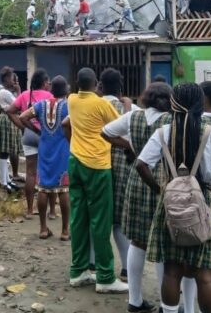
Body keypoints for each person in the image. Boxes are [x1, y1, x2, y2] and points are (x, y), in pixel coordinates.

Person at [136, 82, 211, 313]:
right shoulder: (210, 132)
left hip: (170, 204)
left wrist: (158, 188)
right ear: (199, 102)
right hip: (202, 203)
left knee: (172, 270)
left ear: (173, 103)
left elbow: (141, 164)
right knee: (205, 273)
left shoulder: (163, 133)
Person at [103, 82, 172, 313]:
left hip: (137, 178)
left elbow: (106, 132)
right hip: (162, 179)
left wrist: (130, 147)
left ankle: (134, 300)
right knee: (163, 242)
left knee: (138, 240)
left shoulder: (134, 116)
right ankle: (166, 303)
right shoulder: (171, 121)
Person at [65, 67, 127, 293]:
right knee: (101, 222)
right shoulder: (102, 104)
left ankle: (78, 271)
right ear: (97, 84)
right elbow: (121, 128)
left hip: (75, 162)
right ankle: (105, 276)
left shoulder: (71, 100)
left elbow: (67, 125)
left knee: (78, 219)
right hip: (98, 165)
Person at [19, 75, 71, 241]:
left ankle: (42, 229)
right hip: (62, 149)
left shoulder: (42, 105)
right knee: (63, 189)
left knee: (43, 187)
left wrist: (37, 131)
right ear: (66, 90)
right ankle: (64, 231)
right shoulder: (68, 106)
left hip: (45, 148)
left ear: (52, 90)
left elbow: (22, 117)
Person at [98, 68, 133, 283]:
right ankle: (127, 268)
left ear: (100, 85)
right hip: (122, 169)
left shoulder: (93, 106)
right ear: (120, 87)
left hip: (95, 165)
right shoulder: (131, 109)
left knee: (98, 218)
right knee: (119, 221)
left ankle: (95, 265)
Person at [8, 69, 53, 217]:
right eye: (48, 82)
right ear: (44, 83)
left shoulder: (25, 95)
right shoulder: (49, 96)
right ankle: (51, 210)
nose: (49, 84)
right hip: (44, 136)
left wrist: (23, 127)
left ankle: (29, 210)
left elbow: (10, 111)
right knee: (48, 172)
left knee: (30, 173)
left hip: (28, 135)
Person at [0, 67, 23, 192]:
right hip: (7, 119)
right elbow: (19, 104)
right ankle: (3, 181)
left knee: (6, 151)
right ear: (7, 78)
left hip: (8, 119)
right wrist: (19, 90)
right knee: (4, 151)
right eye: (12, 78)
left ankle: (7, 179)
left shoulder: (5, 91)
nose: (14, 81)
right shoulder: (4, 93)